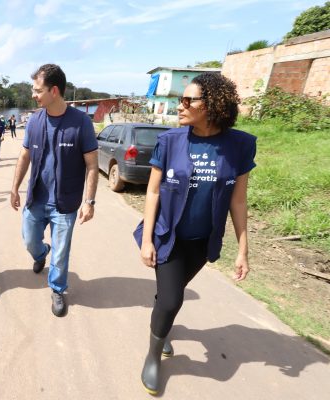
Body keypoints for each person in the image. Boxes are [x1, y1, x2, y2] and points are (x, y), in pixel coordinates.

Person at [133, 72, 257, 395]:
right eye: (179, 100)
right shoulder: (170, 142)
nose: (181, 106)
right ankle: (152, 356)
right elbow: (153, 192)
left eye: (188, 100)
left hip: (203, 243)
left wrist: (243, 249)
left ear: (212, 104)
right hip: (168, 237)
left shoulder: (239, 146)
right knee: (173, 297)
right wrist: (146, 240)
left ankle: (164, 323)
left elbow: (239, 200)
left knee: (168, 296)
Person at [10, 64, 99, 317]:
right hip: (35, 198)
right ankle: (41, 253)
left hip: (65, 203)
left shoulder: (80, 122)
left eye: (38, 90)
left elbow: (92, 164)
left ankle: (58, 289)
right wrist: (15, 188)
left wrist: (89, 201)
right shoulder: (35, 120)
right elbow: (25, 154)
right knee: (29, 240)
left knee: (61, 252)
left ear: (55, 90)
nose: (33, 95)